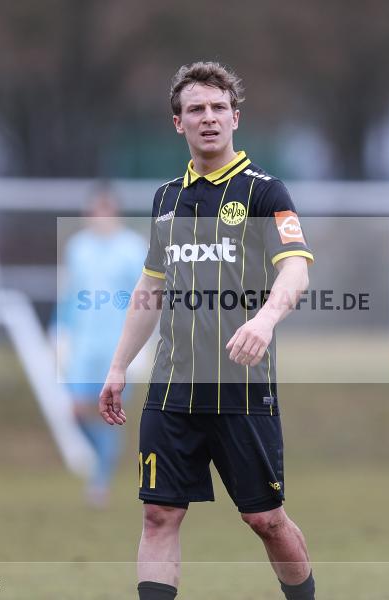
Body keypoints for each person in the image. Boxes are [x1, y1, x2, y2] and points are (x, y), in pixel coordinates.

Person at [99, 62, 316, 600]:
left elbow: (297, 268)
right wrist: (118, 365)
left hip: (242, 389)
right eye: (196, 109)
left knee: (265, 520)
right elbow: (150, 289)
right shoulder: (166, 200)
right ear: (179, 123)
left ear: (235, 117)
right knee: (158, 515)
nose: (209, 118)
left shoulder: (266, 193)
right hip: (173, 388)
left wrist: (264, 321)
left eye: (219, 108)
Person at [52, 189, 145, 507]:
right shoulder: (77, 248)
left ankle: (100, 482)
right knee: (76, 412)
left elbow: (146, 297)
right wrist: (59, 331)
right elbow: (68, 293)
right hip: (83, 345)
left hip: (117, 346)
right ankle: (102, 462)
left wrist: (144, 345)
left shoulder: (133, 249)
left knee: (110, 413)